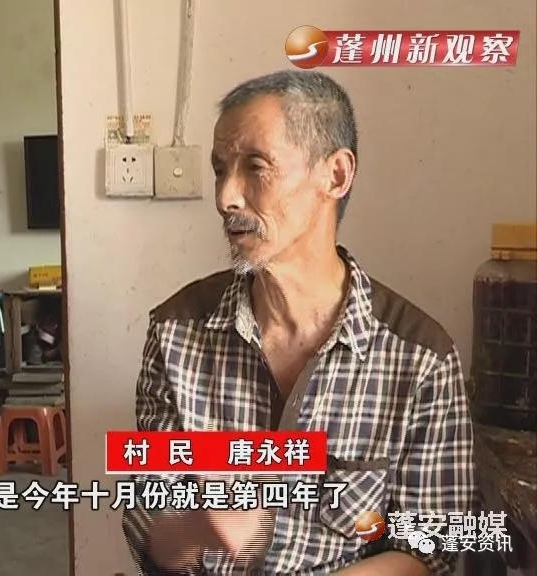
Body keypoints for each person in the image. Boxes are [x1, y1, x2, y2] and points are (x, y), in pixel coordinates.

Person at [122, 69, 476, 575]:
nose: (226, 197)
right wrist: (197, 528)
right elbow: (148, 521)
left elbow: (429, 548)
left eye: (256, 167)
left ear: (336, 175)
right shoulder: (176, 332)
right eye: (220, 170)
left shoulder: (420, 359)